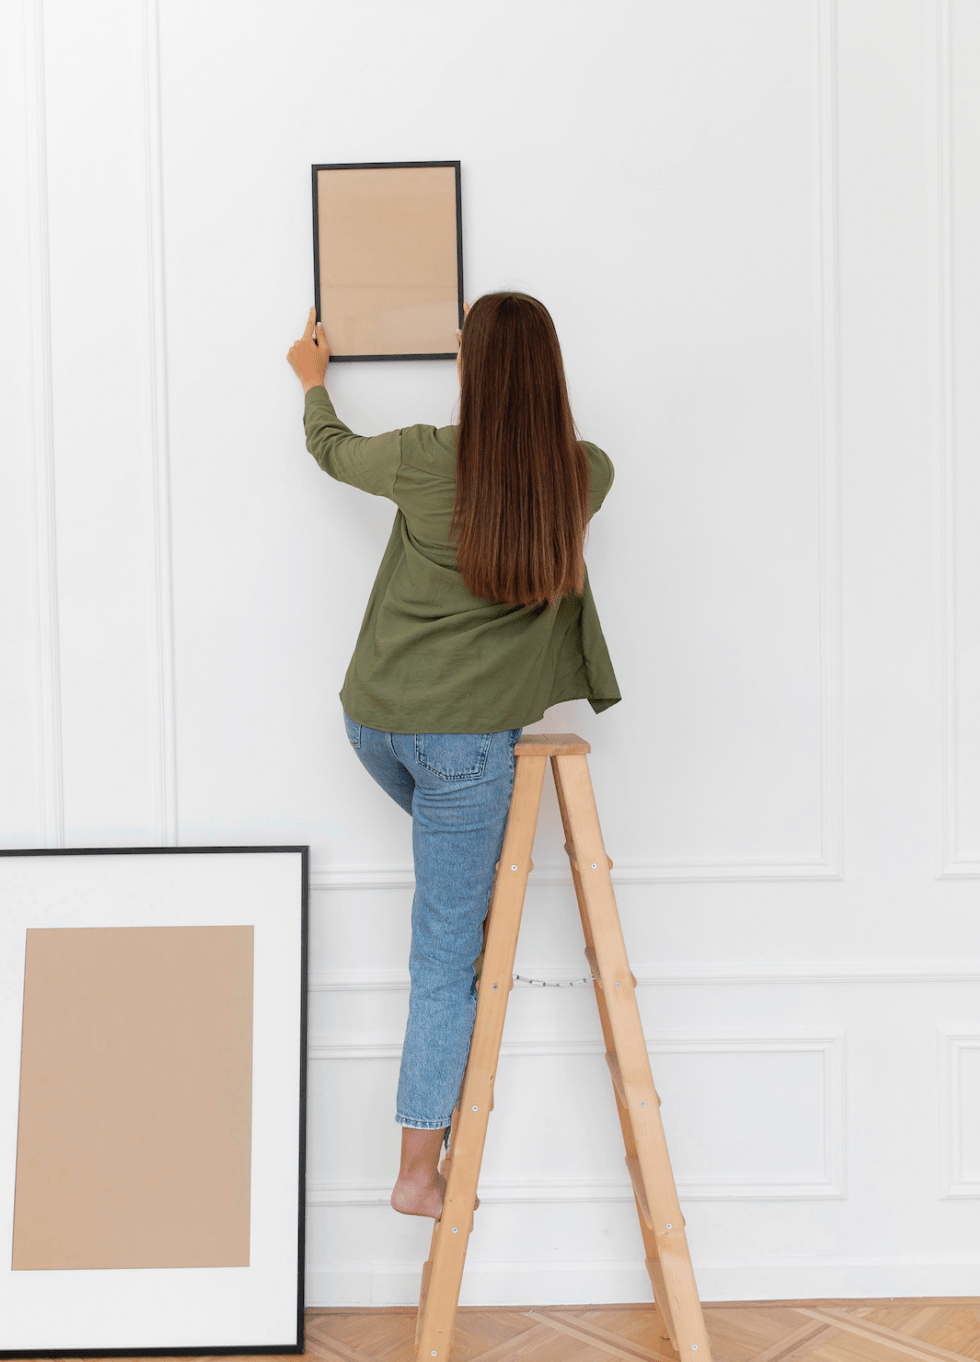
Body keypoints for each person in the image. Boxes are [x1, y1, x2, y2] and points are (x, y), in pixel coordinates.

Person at [285, 292, 620, 1217]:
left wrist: (313, 382)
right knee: (444, 961)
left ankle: (418, 1157)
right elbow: (565, 458)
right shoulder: (582, 475)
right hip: (468, 753)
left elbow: (331, 449)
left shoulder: (424, 459)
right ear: (551, 372)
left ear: (468, 366)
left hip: (376, 725)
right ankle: (414, 1175)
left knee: (447, 896)